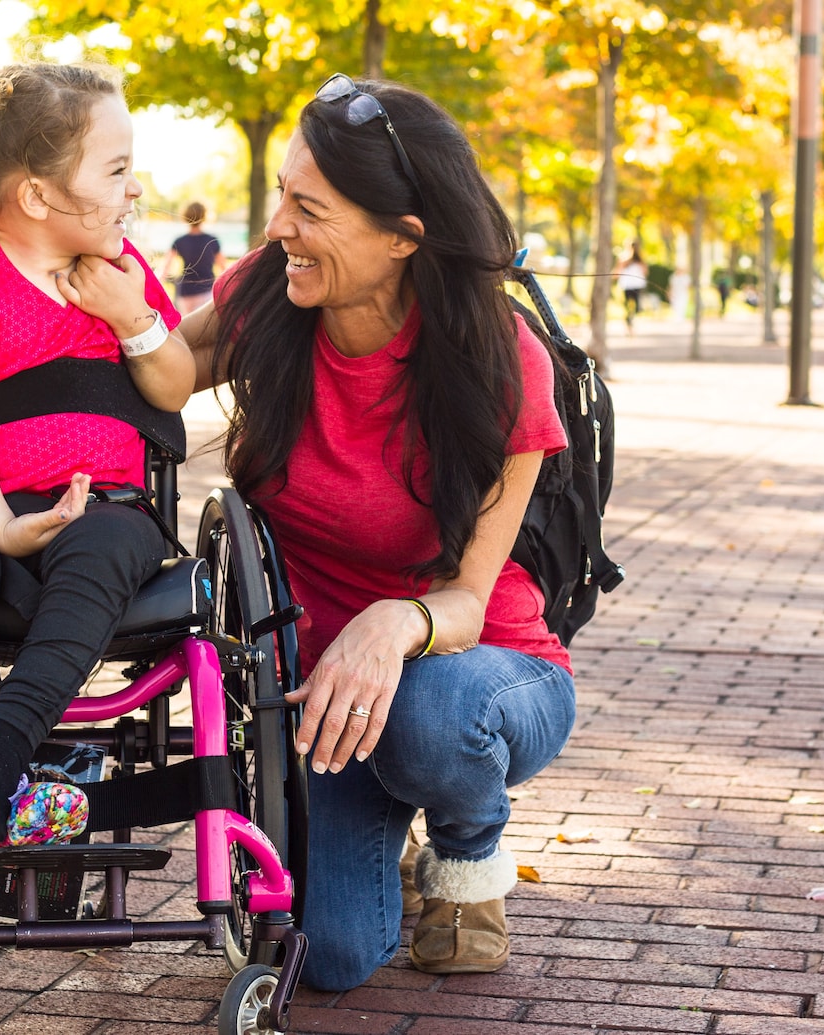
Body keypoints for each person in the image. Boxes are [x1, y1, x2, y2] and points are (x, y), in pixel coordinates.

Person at [67, 73, 576, 991]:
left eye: (309, 209)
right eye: (281, 199)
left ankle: (466, 847)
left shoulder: (504, 364)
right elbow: (162, 368)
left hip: (483, 668)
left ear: (402, 237)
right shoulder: (273, 296)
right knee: (334, 958)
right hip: (324, 697)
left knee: (430, 718)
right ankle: (386, 823)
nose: (276, 229)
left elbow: (465, 598)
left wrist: (394, 622)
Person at [0, 62, 193, 848]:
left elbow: (175, 386)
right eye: (118, 169)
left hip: (102, 505)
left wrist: (135, 320)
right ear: (37, 196)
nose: (135, 190)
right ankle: (1, 771)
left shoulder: (122, 275)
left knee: (102, 548)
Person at [164, 201, 224, 314]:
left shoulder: (179, 241)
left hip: (186, 291)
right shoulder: (212, 240)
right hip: (207, 291)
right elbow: (223, 267)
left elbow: (166, 267)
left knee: (186, 327)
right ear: (204, 216)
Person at [614, 240, 649, 332]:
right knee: (628, 305)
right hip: (627, 285)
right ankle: (629, 320)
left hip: (636, 284)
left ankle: (631, 319)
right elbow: (618, 270)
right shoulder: (624, 257)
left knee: (636, 307)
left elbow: (645, 271)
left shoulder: (640, 259)